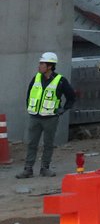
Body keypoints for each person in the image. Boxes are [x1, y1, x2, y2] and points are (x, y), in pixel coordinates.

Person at [17, 51, 75, 179]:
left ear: (49, 66)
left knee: (48, 144)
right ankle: (28, 169)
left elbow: (71, 97)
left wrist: (63, 109)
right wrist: (30, 108)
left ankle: (45, 168)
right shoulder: (36, 78)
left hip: (50, 118)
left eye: (42, 63)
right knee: (32, 143)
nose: (39, 66)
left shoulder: (61, 81)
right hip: (35, 117)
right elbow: (29, 95)